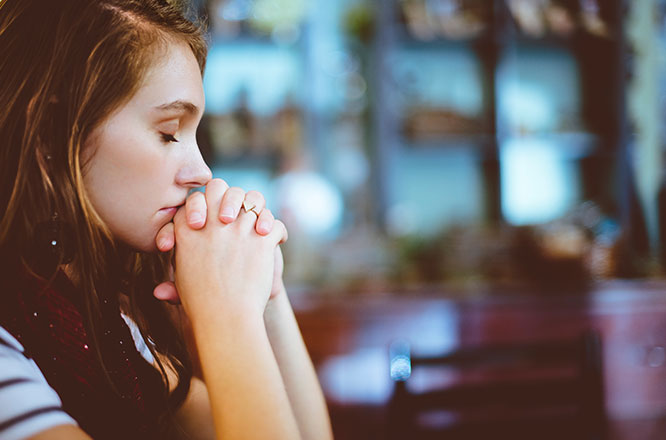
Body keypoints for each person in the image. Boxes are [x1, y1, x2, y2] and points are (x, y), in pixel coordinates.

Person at [0, 0, 333, 439]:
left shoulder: (97, 320)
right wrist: (227, 314)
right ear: (53, 129)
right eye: (168, 132)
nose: (202, 172)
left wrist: (263, 293)